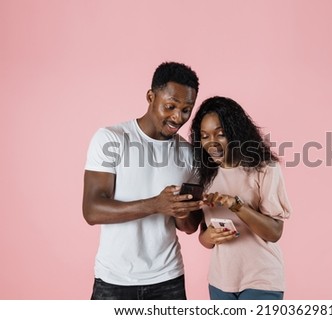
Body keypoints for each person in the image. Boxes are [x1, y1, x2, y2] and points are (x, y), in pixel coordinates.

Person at [83, 62, 203, 300]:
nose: (178, 117)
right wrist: (155, 205)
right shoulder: (111, 139)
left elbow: (189, 227)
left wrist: (180, 210)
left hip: (168, 278)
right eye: (170, 106)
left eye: (187, 110)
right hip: (113, 279)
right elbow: (92, 210)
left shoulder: (189, 154)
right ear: (151, 96)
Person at [190, 96, 292, 300]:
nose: (212, 143)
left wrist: (237, 206)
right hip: (220, 282)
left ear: (236, 133)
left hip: (261, 280)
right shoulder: (204, 174)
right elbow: (205, 237)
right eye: (204, 136)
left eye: (220, 134)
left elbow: (274, 232)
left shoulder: (265, 169)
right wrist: (208, 237)